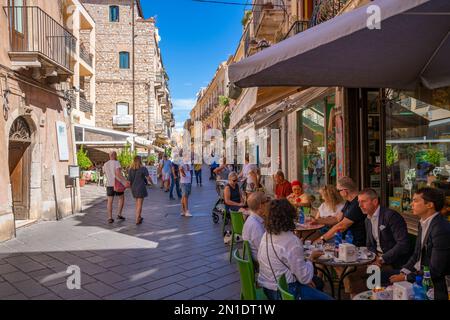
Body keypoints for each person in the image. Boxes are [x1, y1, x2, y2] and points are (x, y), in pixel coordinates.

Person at [257, 199, 333, 300]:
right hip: (286, 292)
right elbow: (305, 278)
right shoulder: (291, 240)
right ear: (289, 216)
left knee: (317, 282)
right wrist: (311, 258)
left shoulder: (266, 235)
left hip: (267, 287)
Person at [389, 188, 450, 300]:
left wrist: (406, 277)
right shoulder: (422, 222)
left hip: (434, 285)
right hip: (418, 276)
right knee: (379, 277)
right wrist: (404, 271)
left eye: (416, 201)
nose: (411, 204)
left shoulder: (440, 228)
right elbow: (416, 255)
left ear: (429, 205)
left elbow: (435, 270)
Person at [358, 188, 411, 278]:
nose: (360, 205)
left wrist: (381, 259)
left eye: (363, 201)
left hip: (394, 261)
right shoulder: (367, 219)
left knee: (366, 275)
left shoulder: (391, 216)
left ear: (375, 202)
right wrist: (372, 259)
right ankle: (356, 292)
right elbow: (370, 244)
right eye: (359, 202)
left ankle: (371, 291)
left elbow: (403, 244)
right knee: (351, 271)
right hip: (376, 258)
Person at [315, 177, 366, 247]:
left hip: (355, 246)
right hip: (346, 242)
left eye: (338, 190)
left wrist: (322, 239)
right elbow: (337, 219)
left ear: (345, 191)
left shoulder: (357, 204)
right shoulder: (349, 202)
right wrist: (317, 221)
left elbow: (341, 226)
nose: (337, 193)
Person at [103, 151, 129, 224]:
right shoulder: (116, 162)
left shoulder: (105, 164)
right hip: (117, 184)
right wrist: (124, 181)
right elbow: (118, 174)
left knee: (109, 201)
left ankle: (110, 217)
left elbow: (105, 174)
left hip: (109, 184)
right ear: (114, 155)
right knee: (121, 198)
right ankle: (119, 214)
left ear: (109, 155)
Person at [242, 192, 267, 263]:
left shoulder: (253, 218)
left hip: (257, 255)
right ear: (260, 206)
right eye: (266, 202)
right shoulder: (256, 226)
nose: (268, 204)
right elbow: (263, 249)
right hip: (260, 259)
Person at [128, 156, 151, 225]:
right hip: (140, 188)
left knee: (137, 203)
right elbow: (148, 178)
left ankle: (139, 216)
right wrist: (152, 184)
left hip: (134, 188)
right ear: (140, 160)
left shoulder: (130, 169)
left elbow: (129, 181)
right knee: (140, 204)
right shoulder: (143, 168)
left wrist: (130, 188)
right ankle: (137, 219)